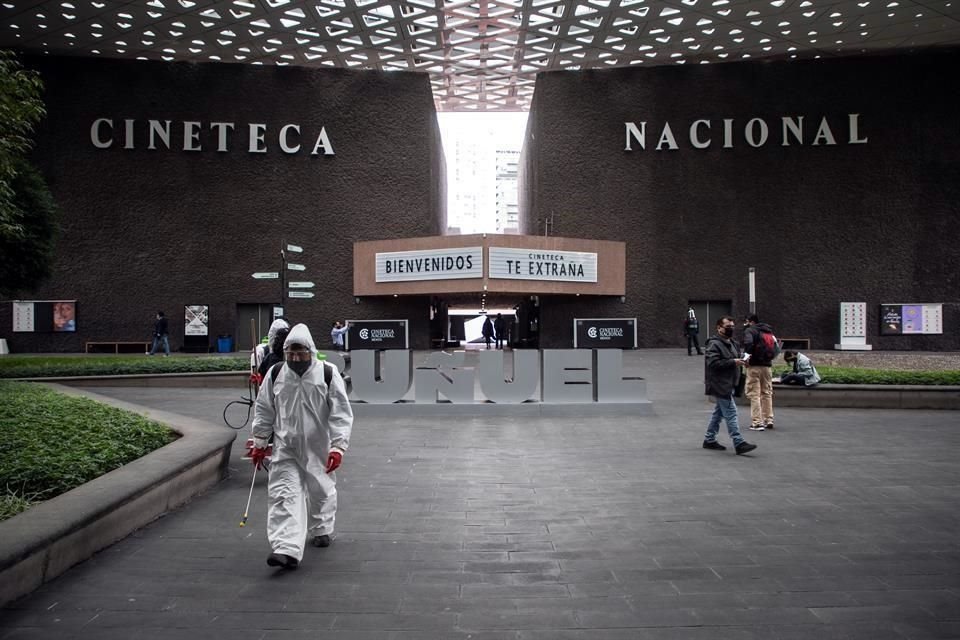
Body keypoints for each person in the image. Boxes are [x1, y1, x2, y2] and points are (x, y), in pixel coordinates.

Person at [250, 323, 354, 570]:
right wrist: (260, 442)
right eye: (291, 354)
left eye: (300, 353)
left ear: (311, 351)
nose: (295, 358)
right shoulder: (277, 374)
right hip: (285, 447)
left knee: (321, 490)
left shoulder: (327, 374)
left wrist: (338, 447)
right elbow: (264, 409)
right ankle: (285, 548)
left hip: (319, 445)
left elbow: (341, 413)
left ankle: (321, 527)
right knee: (283, 494)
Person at [703, 316, 757, 455]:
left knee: (718, 413)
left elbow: (735, 359)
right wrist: (734, 362)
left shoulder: (733, 343)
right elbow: (713, 364)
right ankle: (738, 442)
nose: (731, 329)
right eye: (728, 327)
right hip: (720, 384)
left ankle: (709, 439)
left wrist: (742, 361)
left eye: (732, 326)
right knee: (731, 412)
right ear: (719, 327)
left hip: (729, 382)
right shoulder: (714, 344)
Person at [742, 314, 776, 431]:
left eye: (746, 322)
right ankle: (769, 419)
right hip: (767, 366)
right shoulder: (768, 331)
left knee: (754, 394)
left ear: (751, 322)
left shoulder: (750, 331)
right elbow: (776, 347)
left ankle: (757, 422)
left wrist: (746, 358)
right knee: (767, 393)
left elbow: (748, 344)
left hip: (754, 366)